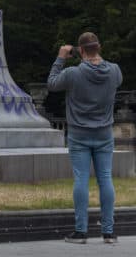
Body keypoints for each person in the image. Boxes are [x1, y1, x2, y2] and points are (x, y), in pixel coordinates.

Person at [47, 32, 122, 244]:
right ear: (99, 47)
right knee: (105, 179)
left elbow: (52, 83)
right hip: (104, 133)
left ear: (80, 50)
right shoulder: (115, 71)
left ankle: (81, 232)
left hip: (79, 134)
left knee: (81, 179)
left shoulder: (73, 74)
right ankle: (109, 232)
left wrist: (61, 57)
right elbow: (114, 81)